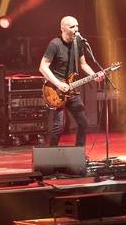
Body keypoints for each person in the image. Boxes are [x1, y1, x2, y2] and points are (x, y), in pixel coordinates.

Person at [38, 15, 102, 147]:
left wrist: (94, 75)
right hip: (55, 90)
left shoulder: (78, 42)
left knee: (83, 123)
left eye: (77, 26)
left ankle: (79, 152)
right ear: (62, 28)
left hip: (71, 89)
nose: (76, 29)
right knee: (58, 126)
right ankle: (52, 153)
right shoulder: (55, 44)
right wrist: (58, 84)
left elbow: (83, 64)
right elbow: (43, 67)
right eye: (72, 26)